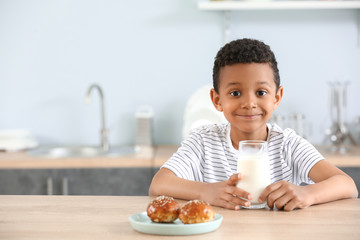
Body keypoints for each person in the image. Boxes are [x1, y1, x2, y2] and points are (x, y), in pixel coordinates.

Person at [149, 38, 358, 211]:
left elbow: (347, 186)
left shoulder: (288, 145)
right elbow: (159, 184)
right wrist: (206, 191)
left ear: (277, 97)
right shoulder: (203, 141)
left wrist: (306, 193)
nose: (249, 103)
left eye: (261, 92)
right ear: (217, 100)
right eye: (235, 93)